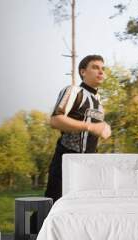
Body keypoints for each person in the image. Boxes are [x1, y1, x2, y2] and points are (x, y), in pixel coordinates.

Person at [44, 54, 111, 203]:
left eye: (103, 69)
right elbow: (55, 120)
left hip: (89, 166)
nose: (101, 72)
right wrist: (91, 126)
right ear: (83, 71)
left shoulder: (99, 102)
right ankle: (33, 227)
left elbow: (92, 135)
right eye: (95, 67)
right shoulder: (73, 91)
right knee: (53, 208)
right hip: (66, 162)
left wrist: (104, 128)